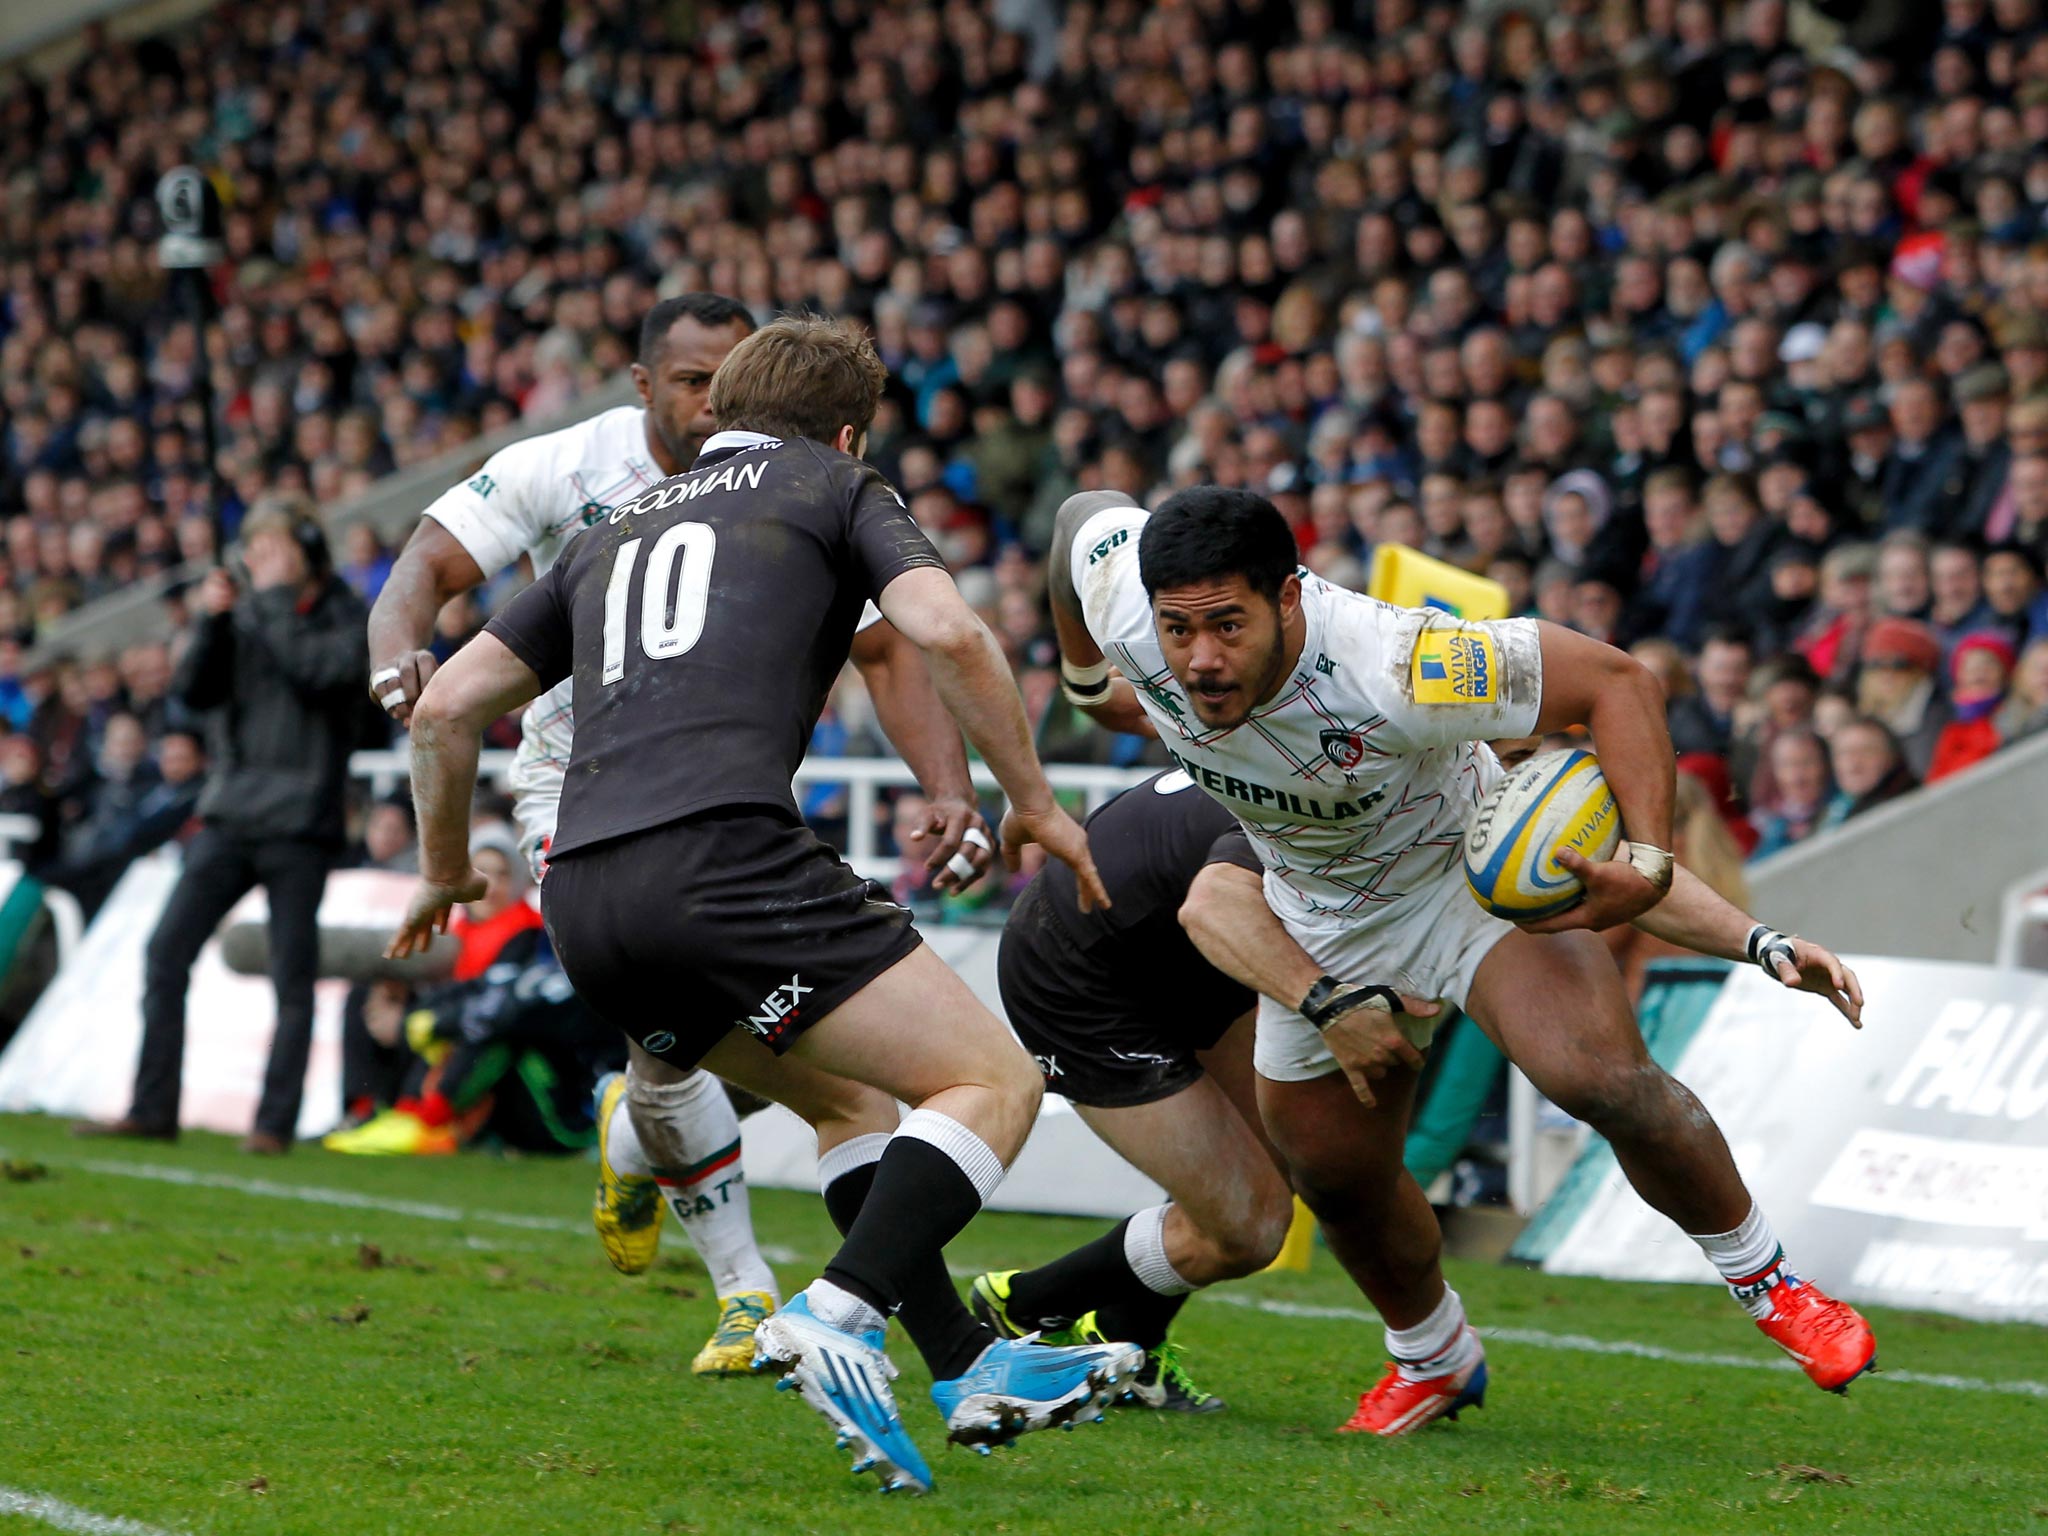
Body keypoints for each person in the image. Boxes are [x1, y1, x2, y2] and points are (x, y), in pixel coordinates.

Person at [388, 316, 1142, 1494]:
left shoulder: (608, 529)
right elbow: (943, 630)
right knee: (992, 1080)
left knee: (849, 1103)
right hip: (725, 863)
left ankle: (961, 1364)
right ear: (845, 430)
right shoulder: (834, 484)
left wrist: (442, 870)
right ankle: (837, 1314)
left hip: (584, 894)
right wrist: (1029, 800)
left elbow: (442, 713)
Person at [1044, 485, 1874, 1436]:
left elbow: (1619, 681)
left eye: (1228, 626)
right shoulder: (1128, 599)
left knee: (1599, 1077)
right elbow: (1080, 517)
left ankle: (1773, 1286)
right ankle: (1433, 1359)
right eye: (1178, 630)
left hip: (1462, 881)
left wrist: (1652, 866)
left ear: (1288, 597)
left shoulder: (1400, 663)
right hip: (1314, 917)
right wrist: (1082, 679)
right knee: (1337, 1178)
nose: (1200, 659)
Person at [365, 294, 994, 1376]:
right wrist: (394, 652)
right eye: (690, 378)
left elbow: (887, 651)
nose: (709, 399)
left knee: (795, 1084)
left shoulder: (785, 486)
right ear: (642, 383)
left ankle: (929, 1346)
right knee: (921, 1076)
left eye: (724, 378)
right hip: (581, 796)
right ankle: (752, 1290)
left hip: (724, 804)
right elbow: (422, 567)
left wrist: (948, 784)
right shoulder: (568, 471)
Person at [973, 759, 1863, 1421]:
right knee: (1249, 1220)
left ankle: (1771, 1284)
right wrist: (1331, 1006)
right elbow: (1215, 908)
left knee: (1591, 1080)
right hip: (1087, 970)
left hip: (1231, 937)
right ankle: (1029, 1299)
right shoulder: (1303, 784)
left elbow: (1623, 866)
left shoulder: (1453, 759)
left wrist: (1764, 942)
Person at [76, 498, 369, 1154]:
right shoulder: (246, 615)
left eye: (271, 550)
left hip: (300, 822)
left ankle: (273, 1125)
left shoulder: (345, 616)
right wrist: (212, 623)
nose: (257, 562)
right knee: (165, 952)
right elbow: (193, 692)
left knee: (292, 979)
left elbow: (320, 674)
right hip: (231, 812)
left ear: (304, 551)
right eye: (254, 550)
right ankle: (153, 1108)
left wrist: (263, 603)